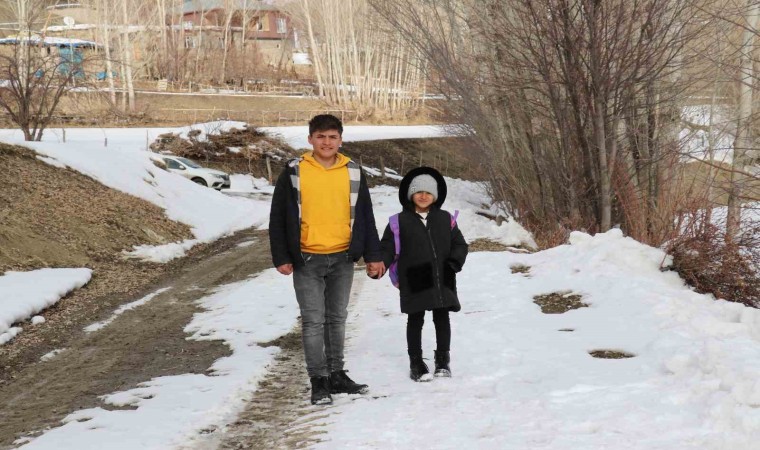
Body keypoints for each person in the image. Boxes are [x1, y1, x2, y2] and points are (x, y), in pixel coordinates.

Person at [269, 114, 386, 405]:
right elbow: (278, 217)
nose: (326, 142)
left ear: (340, 140)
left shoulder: (353, 171)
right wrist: (281, 256)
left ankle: (336, 374)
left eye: (332, 137)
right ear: (310, 139)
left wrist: (373, 255)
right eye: (320, 136)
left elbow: (366, 216)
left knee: (336, 319)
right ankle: (318, 380)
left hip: (343, 257)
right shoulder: (294, 171)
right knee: (313, 321)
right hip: (307, 258)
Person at [378, 167, 468, 382]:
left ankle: (443, 360)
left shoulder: (445, 219)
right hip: (415, 275)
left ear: (435, 196)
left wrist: (453, 263)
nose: (424, 196)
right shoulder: (398, 222)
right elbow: (387, 249)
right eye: (419, 192)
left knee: (442, 317)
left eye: (428, 192)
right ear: (411, 194)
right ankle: (416, 362)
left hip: (442, 274)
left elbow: (460, 244)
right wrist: (380, 264)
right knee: (415, 318)